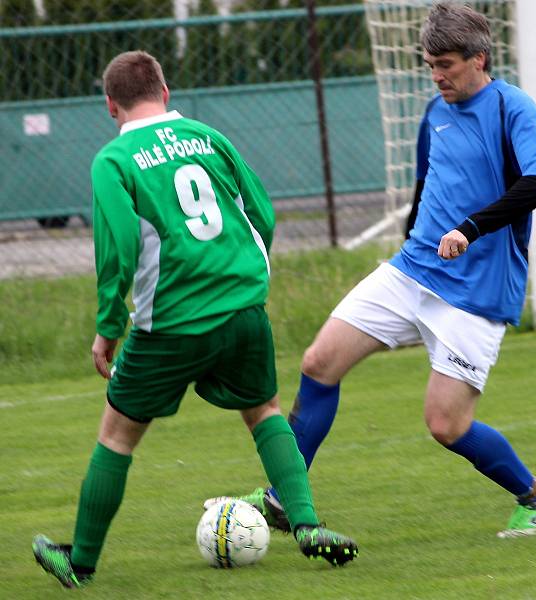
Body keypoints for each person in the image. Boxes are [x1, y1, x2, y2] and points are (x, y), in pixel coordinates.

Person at [205, 1, 536, 539]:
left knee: (446, 426)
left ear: (479, 58)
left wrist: (469, 229)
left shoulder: (514, 108)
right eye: (431, 65)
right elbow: (426, 186)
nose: (437, 75)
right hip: (412, 271)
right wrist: (415, 238)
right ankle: (283, 497)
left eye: (447, 64)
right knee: (320, 360)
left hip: (478, 293)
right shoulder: (434, 112)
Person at [31, 50, 357, 589]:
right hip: (243, 307)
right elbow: (262, 212)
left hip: (173, 323)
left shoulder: (114, 160)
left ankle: (80, 562)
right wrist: (246, 276)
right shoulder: (208, 137)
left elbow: (117, 250)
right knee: (265, 411)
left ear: (110, 105)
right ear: (165, 92)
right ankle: (304, 524)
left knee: (117, 435)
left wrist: (109, 329)